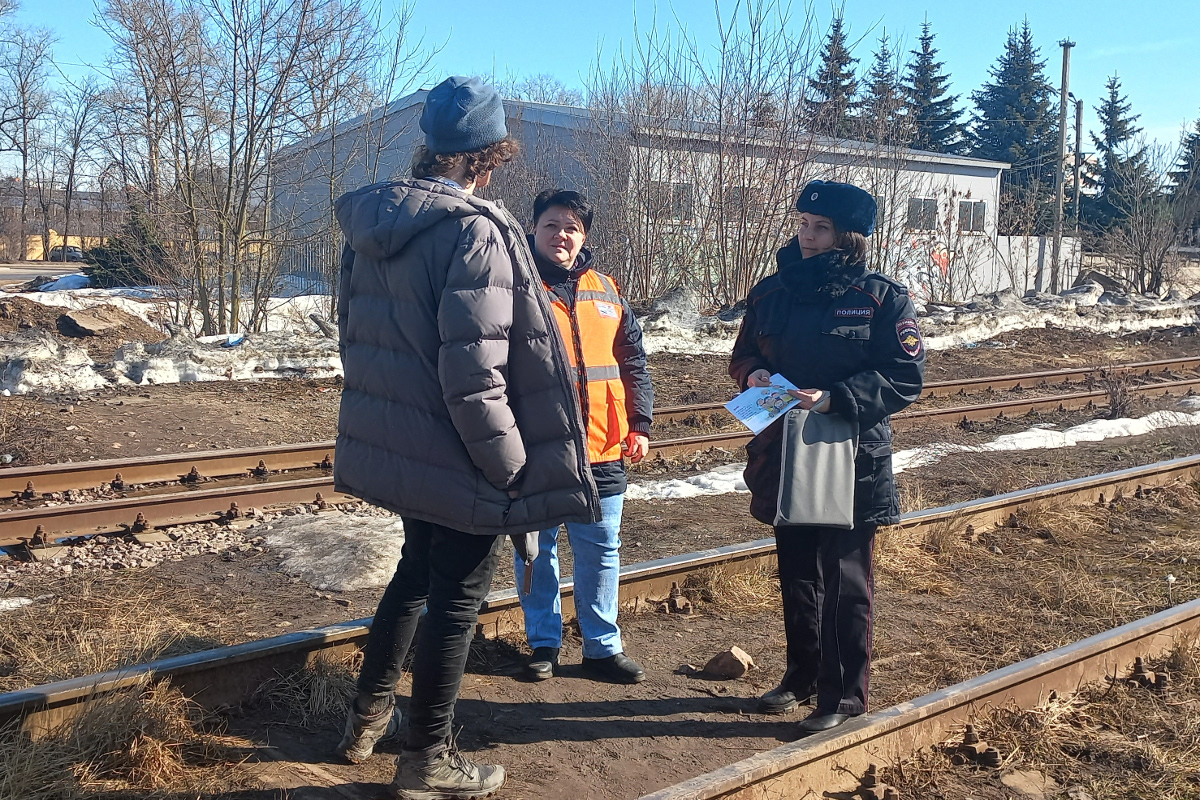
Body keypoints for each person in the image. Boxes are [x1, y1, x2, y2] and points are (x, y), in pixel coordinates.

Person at [332, 77, 601, 799]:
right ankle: (429, 759)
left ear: (430, 147)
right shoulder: (475, 230)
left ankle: (364, 719)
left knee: (413, 576)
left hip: (404, 445)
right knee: (455, 600)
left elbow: (353, 337)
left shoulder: (375, 221)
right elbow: (475, 376)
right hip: (462, 454)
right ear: (491, 155)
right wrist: (509, 466)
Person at [728, 180, 925, 733]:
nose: (807, 236)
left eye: (821, 228)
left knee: (845, 578)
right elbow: (742, 354)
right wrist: (753, 373)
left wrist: (837, 397)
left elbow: (905, 377)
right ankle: (802, 676)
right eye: (802, 224)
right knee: (797, 572)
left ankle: (843, 698)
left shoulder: (881, 297)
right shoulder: (770, 293)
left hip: (850, 454)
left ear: (848, 236)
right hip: (783, 448)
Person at [514, 189, 654, 684]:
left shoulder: (607, 290)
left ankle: (601, 647)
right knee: (537, 548)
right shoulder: (517, 285)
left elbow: (632, 361)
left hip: (603, 445)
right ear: (534, 229)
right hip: (538, 447)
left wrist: (639, 423)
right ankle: (544, 644)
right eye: (552, 225)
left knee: (601, 547)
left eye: (571, 227)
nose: (562, 235)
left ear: (584, 236)